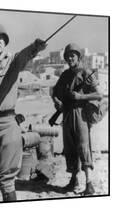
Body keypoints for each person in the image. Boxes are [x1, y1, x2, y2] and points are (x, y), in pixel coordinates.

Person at [0, 22, 46, 203]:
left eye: (0, 38)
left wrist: (34, 47)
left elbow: (25, 56)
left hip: (6, 125)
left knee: (6, 181)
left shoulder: (13, 61)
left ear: (5, 41)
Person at [51, 43, 103, 195]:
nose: (69, 58)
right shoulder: (65, 75)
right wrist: (56, 101)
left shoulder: (86, 73)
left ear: (79, 56)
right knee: (69, 148)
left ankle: (89, 183)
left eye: (72, 55)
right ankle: (74, 180)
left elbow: (98, 94)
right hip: (67, 114)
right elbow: (54, 91)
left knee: (83, 147)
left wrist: (81, 96)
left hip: (81, 114)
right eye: (67, 56)